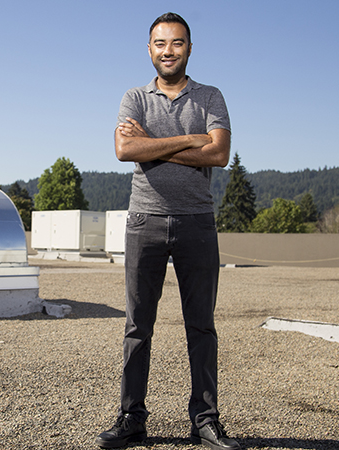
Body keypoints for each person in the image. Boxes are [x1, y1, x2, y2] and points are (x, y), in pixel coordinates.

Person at [95, 12, 239, 450]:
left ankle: (205, 421)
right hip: (145, 222)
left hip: (197, 221)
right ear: (149, 49)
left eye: (177, 43)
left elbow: (219, 155)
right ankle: (131, 419)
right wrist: (189, 140)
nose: (168, 51)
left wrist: (155, 146)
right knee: (138, 326)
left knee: (202, 326)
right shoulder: (134, 98)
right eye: (160, 43)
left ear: (189, 48)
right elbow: (125, 149)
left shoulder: (210, 95)